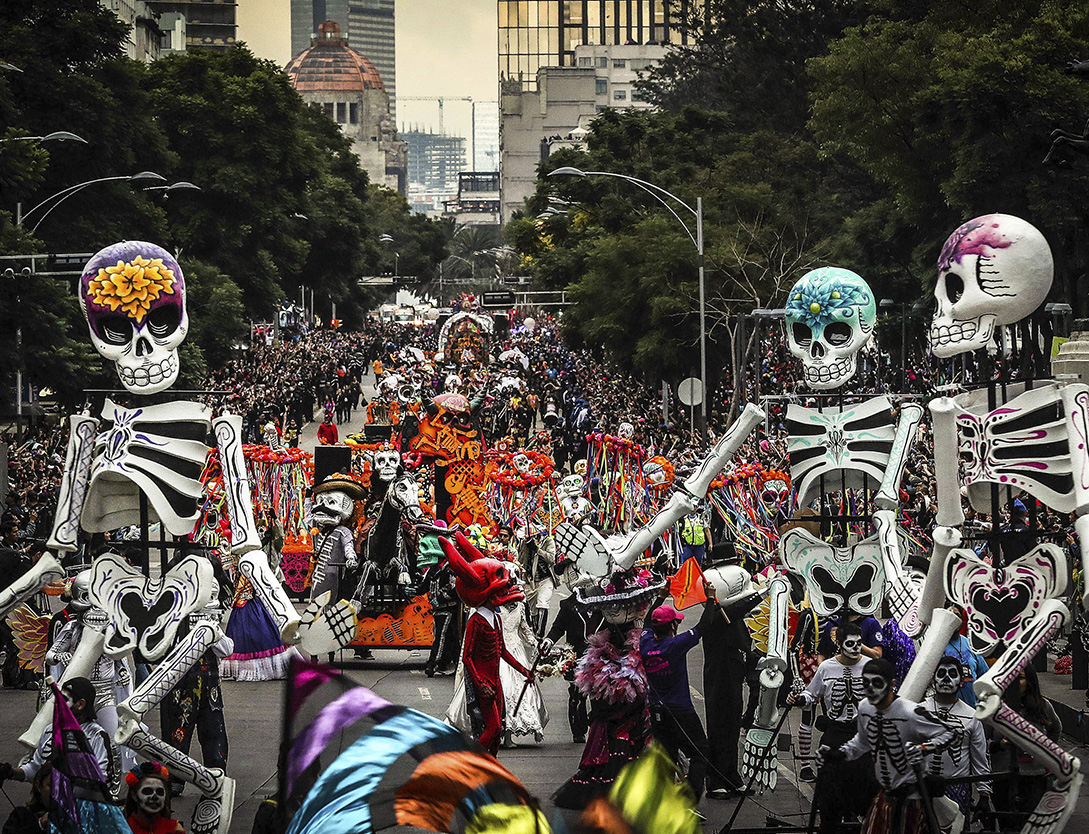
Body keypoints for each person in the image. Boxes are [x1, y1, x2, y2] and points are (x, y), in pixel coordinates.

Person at [823, 658, 955, 834]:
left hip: (911, 799)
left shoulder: (910, 712)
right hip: (883, 796)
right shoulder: (865, 708)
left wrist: (924, 748)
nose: (870, 689)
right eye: (866, 683)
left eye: (877, 683)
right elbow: (862, 742)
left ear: (892, 684)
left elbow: (950, 733)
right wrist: (839, 754)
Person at [787, 623, 879, 831]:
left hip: (862, 734)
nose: (856, 649)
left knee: (867, 791)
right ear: (838, 644)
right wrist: (799, 699)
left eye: (859, 644)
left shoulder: (870, 667)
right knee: (830, 793)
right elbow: (812, 694)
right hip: (835, 733)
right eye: (850, 644)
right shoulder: (827, 667)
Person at [640, 586, 718, 802]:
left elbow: (646, 623)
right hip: (681, 710)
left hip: (656, 711)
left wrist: (660, 597)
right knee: (700, 751)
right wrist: (710, 599)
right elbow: (705, 625)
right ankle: (689, 800)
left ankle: (663, 802)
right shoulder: (676, 644)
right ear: (673, 625)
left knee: (667, 757)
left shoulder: (645, 643)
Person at [922, 657, 992, 819]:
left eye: (952, 674)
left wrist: (984, 794)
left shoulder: (971, 716)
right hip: (923, 789)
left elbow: (980, 758)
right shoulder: (919, 712)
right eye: (942, 673)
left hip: (957, 789)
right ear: (933, 679)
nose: (946, 679)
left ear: (961, 681)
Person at [543, 592, 604, 744]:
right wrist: (549, 641)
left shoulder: (607, 604)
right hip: (576, 656)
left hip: (600, 658)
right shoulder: (569, 605)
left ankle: (598, 728)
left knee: (600, 697)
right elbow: (558, 627)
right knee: (577, 696)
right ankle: (578, 731)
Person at [123, 761, 184, 834]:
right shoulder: (121, 829)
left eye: (159, 792)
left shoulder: (175, 829)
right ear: (134, 795)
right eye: (148, 791)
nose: (154, 796)